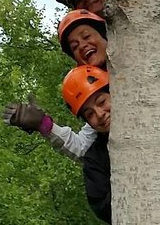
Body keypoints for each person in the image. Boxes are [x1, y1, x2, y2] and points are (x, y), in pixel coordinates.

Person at [2, 9, 108, 161]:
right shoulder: (94, 95)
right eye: (75, 47)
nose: (83, 45)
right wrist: (43, 124)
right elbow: (84, 148)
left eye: (86, 36)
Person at [61, 65, 112, 224]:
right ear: (88, 123)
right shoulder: (94, 159)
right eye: (90, 114)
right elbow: (103, 208)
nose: (100, 114)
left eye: (102, 102)